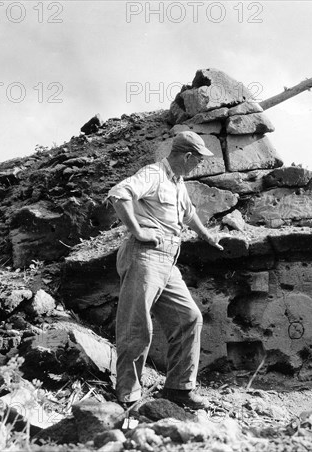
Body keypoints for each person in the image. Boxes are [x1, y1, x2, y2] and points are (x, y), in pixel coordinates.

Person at [107, 131, 223, 410]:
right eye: (198, 160)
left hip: (167, 261)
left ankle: (179, 389)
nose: (200, 165)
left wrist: (206, 236)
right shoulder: (154, 174)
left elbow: (188, 213)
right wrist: (138, 231)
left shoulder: (177, 182)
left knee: (189, 318)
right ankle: (127, 396)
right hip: (144, 256)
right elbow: (118, 194)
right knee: (137, 326)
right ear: (187, 156)